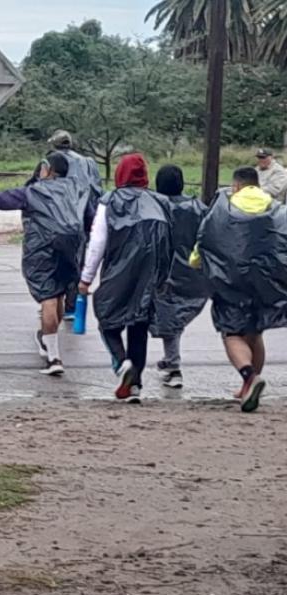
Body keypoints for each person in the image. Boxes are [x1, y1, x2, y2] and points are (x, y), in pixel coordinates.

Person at [0, 153, 83, 376]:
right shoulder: (77, 191)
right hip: (71, 249)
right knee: (58, 294)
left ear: (47, 169)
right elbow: (90, 216)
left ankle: (54, 358)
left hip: (42, 250)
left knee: (48, 298)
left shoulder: (33, 191)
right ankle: (48, 342)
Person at [190, 167, 287, 412]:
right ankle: (250, 385)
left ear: (236, 186)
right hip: (267, 283)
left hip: (231, 282)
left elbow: (206, 240)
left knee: (231, 333)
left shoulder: (224, 209)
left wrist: (197, 262)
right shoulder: (275, 208)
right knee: (255, 333)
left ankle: (249, 377)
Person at [78, 154, 173, 403]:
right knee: (138, 324)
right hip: (151, 273)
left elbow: (97, 242)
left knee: (107, 318)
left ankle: (122, 364)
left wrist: (86, 278)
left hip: (119, 268)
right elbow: (171, 240)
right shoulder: (160, 201)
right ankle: (135, 386)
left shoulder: (110, 201)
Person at [149, 165, 211, 389]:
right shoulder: (199, 208)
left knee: (169, 319)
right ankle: (170, 361)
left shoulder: (155, 207)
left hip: (165, 273)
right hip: (194, 273)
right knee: (175, 319)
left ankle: (173, 367)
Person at [32, 131, 103, 319]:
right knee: (75, 261)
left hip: (52, 219)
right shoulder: (88, 162)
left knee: (50, 260)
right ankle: (71, 306)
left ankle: (51, 301)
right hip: (79, 218)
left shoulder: (50, 161)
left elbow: (33, 185)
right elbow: (96, 189)